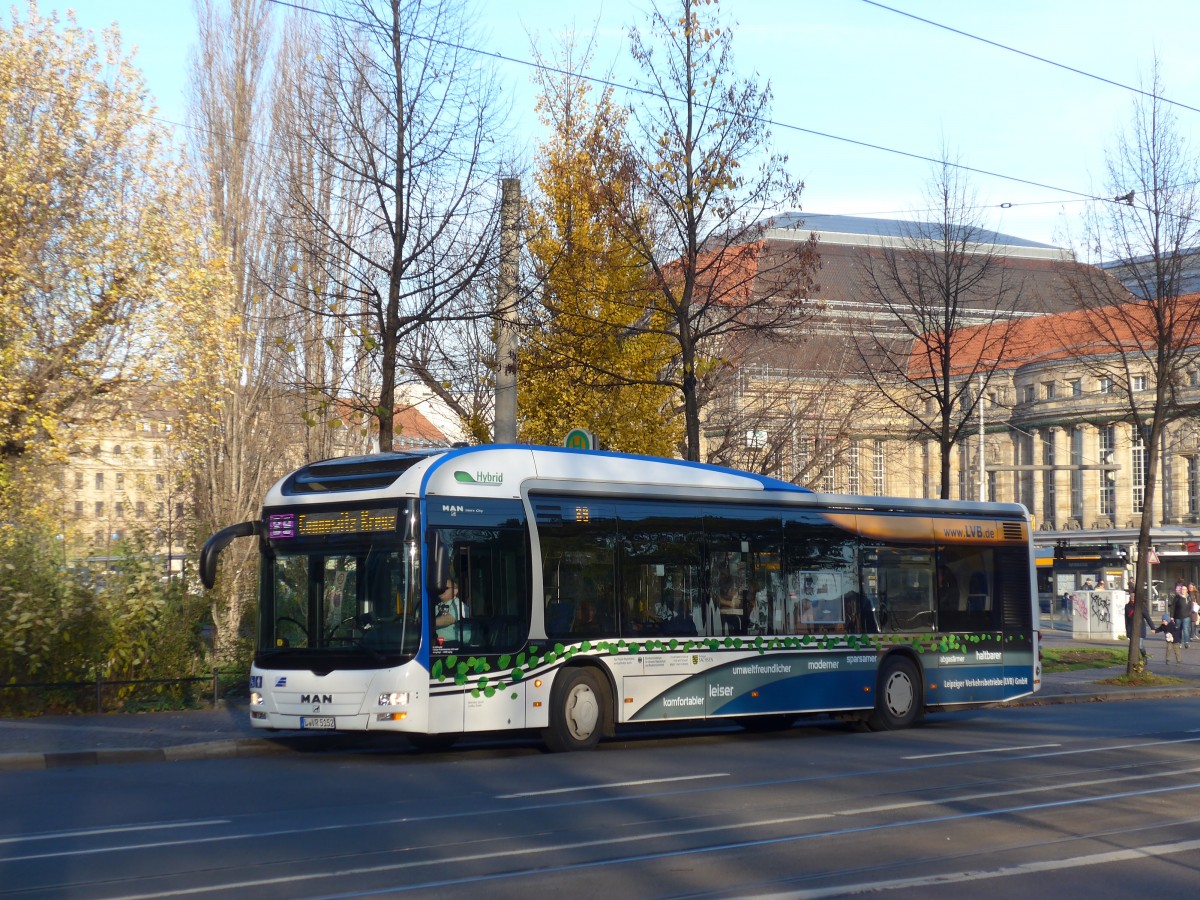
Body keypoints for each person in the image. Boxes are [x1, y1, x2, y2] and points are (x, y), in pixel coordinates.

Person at [1124, 594, 1155, 660]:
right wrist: (1127, 630)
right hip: (1131, 629)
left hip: (1140, 629)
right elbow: (1126, 619)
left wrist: (1152, 628)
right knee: (1133, 646)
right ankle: (1136, 659)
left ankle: (1144, 656)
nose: (1132, 598)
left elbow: (1147, 617)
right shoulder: (1127, 606)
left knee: (1140, 646)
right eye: (1131, 596)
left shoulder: (1141, 606)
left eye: (1134, 597)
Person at [1170, 583, 1191, 650]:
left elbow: (1191, 606)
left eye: (1184, 589)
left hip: (1186, 616)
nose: (1183, 590)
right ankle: (1179, 642)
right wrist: (1171, 616)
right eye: (1182, 589)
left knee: (1186, 629)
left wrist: (1190, 613)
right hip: (1177, 617)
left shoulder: (1188, 597)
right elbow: (1172, 607)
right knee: (1178, 630)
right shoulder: (1177, 597)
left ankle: (1186, 642)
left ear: (1186, 590)